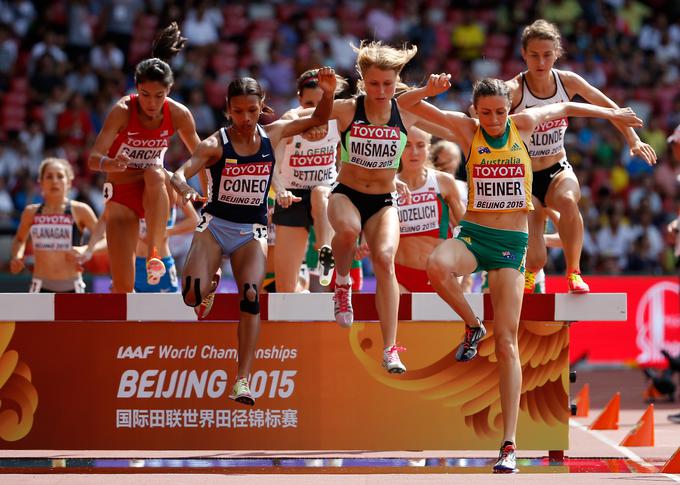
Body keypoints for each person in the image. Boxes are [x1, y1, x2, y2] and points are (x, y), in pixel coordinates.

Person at [399, 74, 643, 473]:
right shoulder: (466, 129)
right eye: (486, 113)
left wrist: (613, 113)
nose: (494, 120)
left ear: (509, 109)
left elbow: (566, 106)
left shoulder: (523, 125)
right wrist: (426, 91)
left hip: (510, 247)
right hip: (475, 235)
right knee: (437, 266)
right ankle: (473, 325)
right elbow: (407, 106)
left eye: (500, 112)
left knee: (509, 342)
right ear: (475, 111)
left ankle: (508, 444)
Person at [170, 68, 337, 406]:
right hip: (215, 227)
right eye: (237, 111)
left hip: (252, 231)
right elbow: (178, 172)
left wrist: (330, 91)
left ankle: (242, 381)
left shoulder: (273, 134)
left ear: (261, 107)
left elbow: (321, 115)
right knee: (190, 297)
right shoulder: (215, 143)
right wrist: (184, 186)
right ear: (228, 110)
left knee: (250, 296)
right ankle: (210, 282)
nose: (245, 118)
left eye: (251, 110)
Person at [301, 40, 455, 374]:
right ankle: (342, 283)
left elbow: (446, 120)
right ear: (362, 81)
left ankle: (390, 349)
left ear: (396, 81)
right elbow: (316, 117)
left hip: (384, 201)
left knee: (385, 260)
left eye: (387, 84)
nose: (381, 90)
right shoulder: (347, 109)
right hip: (347, 193)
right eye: (373, 83)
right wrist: (327, 93)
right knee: (348, 230)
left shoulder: (406, 109)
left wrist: (433, 90)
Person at [506, 19, 657, 294]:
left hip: (556, 168)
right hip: (524, 177)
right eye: (534, 55)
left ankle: (573, 272)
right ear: (523, 54)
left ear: (557, 53)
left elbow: (611, 108)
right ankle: (531, 271)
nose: (541, 62)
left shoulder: (568, 81)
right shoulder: (515, 89)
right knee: (537, 257)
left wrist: (633, 140)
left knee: (567, 199)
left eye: (547, 55)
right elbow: (481, 111)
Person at [87, 22, 201, 293]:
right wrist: (110, 163)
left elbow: (201, 156)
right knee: (122, 289)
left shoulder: (179, 114)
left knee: (154, 171)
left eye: (159, 96)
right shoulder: (122, 110)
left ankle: (154, 252)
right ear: (136, 88)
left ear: (169, 91)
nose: (151, 103)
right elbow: (93, 158)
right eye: (146, 95)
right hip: (121, 192)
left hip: (155, 191)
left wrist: (207, 197)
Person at [272, 69, 346, 291]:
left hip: (326, 194)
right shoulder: (288, 122)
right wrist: (281, 190)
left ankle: (325, 250)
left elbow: (350, 157)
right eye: (308, 104)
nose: (315, 111)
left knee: (320, 193)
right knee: (285, 288)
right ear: (299, 100)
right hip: (292, 196)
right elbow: (272, 163)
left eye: (321, 103)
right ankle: (301, 290)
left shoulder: (339, 121)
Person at [10, 158, 100, 292]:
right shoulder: (31, 212)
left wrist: (86, 250)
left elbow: (106, 239)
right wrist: (17, 256)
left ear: (69, 182)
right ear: (40, 182)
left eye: (60, 176)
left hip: (73, 285)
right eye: (49, 176)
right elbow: (19, 239)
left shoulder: (80, 210)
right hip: (40, 285)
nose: (55, 181)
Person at [395, 126, 464, 292]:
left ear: (428, 148)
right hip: (400, 275)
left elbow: (466, 226)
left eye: (420, 145)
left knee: (444, 319)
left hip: (441, 272)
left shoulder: (444, 181)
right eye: (407, 145)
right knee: (400, 318)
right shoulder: (387, 185)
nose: (414, 152)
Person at [134, 179, 200, 293]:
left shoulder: (169, 182)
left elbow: (194, 220)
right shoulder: (134, 181)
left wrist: (165, 232)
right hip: (134, 264)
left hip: (161, 263)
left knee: (167, 310)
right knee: (132, 309)